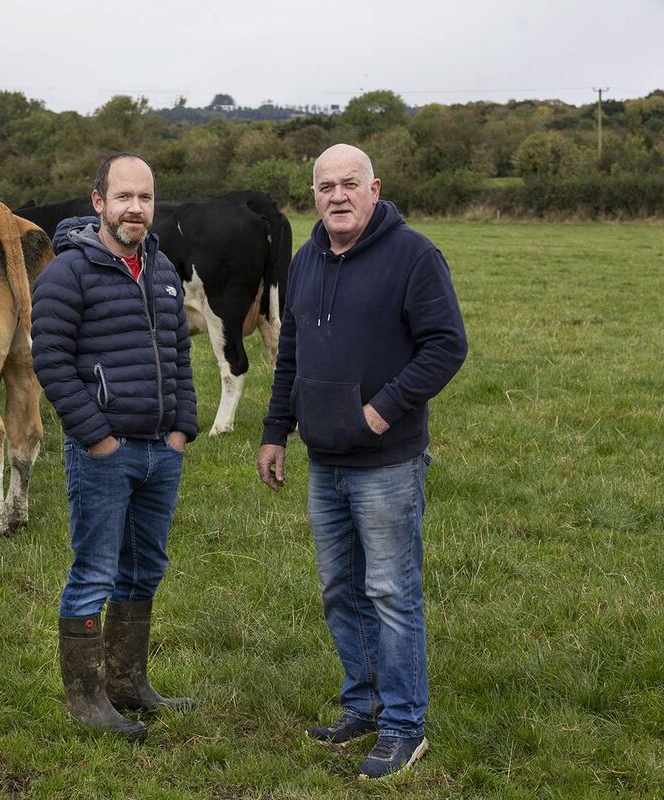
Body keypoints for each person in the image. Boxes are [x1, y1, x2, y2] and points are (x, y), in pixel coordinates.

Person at [255, 144, 467, 779]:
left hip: (386, 460)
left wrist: (382, 411)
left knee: (391, 592)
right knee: (341, 590)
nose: (338, 196)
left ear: (375, 189)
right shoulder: (305, 259)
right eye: (326, 186)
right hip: (325, 459)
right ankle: (365, 703)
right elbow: (289, 349)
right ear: (314, 195)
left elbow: (446, 346)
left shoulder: (414, 256)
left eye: (351, 184)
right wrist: (274, 431)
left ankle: (405, 725)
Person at [31, 153, 198, 741]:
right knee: (95, 570)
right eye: (124, 197)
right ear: (98, 201)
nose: (136, 208)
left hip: (160, 450)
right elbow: (48, 361)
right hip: (104, 451)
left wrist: (182, 429)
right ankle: (86, 700)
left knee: (145, 567)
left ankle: (129, 684)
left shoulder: (161, 270)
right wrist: (96, 437)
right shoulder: (67, 274)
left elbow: (180, 353)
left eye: (145, 198)